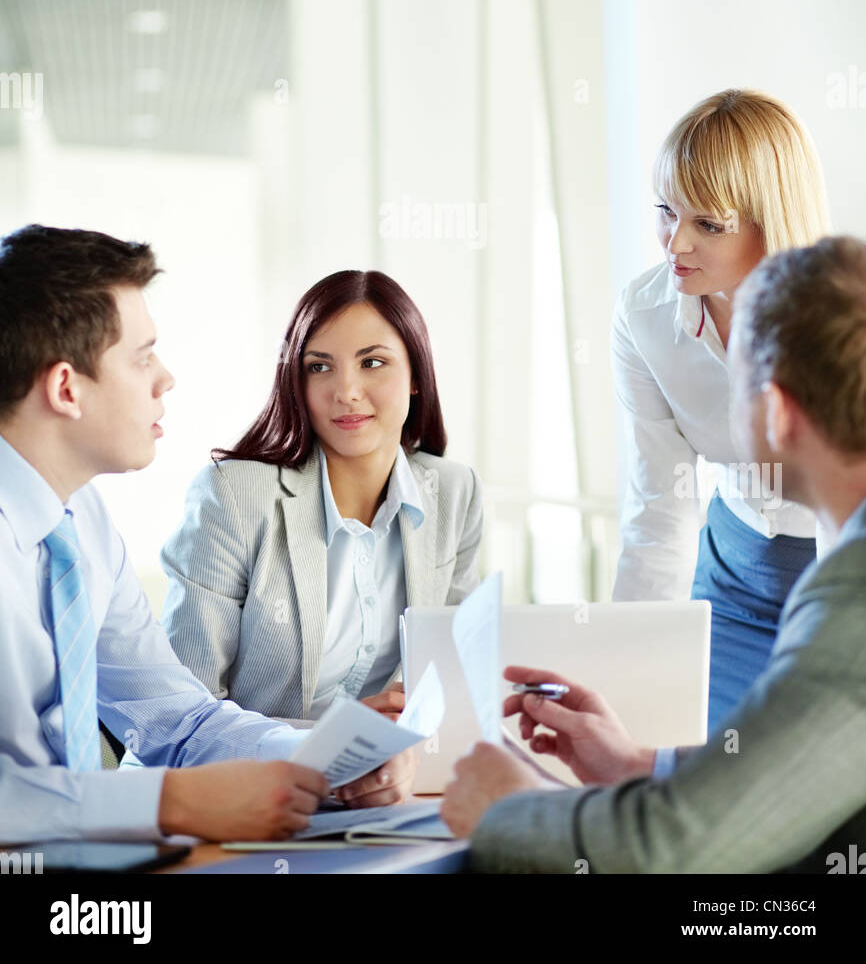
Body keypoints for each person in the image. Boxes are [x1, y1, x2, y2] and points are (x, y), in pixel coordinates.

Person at [441, 235, 866, 873]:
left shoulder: (850, 603)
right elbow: (809, 774)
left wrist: (508, 805)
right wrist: (642, 765)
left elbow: (670, 849)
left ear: (776, 410)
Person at [0, 225, 410, 846]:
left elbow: (177, 720)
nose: (165, 378)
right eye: (142, 358)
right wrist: (174, 801)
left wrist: (320, 757)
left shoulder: (81, 523)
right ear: (65, 388)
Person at [160, 269, 483, 804]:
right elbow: (181, 716)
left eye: (372, 362)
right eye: (319, 367)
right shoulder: (235, 495)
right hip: (244, 797)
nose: (346, 392)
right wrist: (333, 739)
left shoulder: (454, 492)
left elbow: (453, 678)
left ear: (416, 375)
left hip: (389, 792)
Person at [610, 89, 831, 729]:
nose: (673, 242)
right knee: (668, 761)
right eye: (665, 211)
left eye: (708, 224)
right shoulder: (644, 317)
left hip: (835, 581)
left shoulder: (844, 319)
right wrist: (625, 676)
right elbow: (658, 506)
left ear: (771, 221)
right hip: (729, 584)